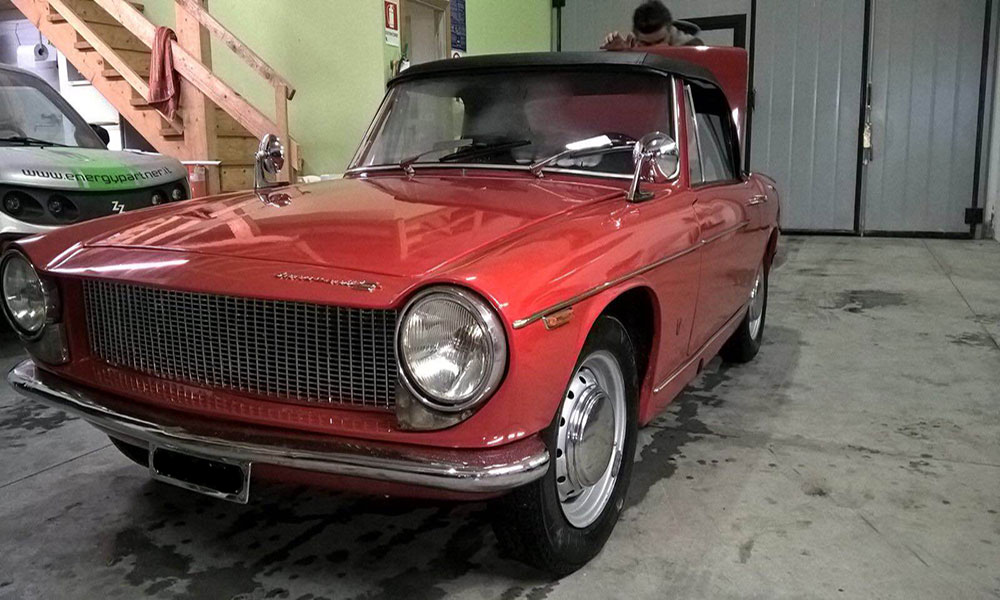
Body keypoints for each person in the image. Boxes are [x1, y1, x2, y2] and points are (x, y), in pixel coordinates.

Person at [602, 0, 704, 50]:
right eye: (646, 44)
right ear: (637, 38)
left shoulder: (691, 48)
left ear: (670, 30)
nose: (655, 48)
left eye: (660, 41)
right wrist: (621, 54)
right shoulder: (630, 44)